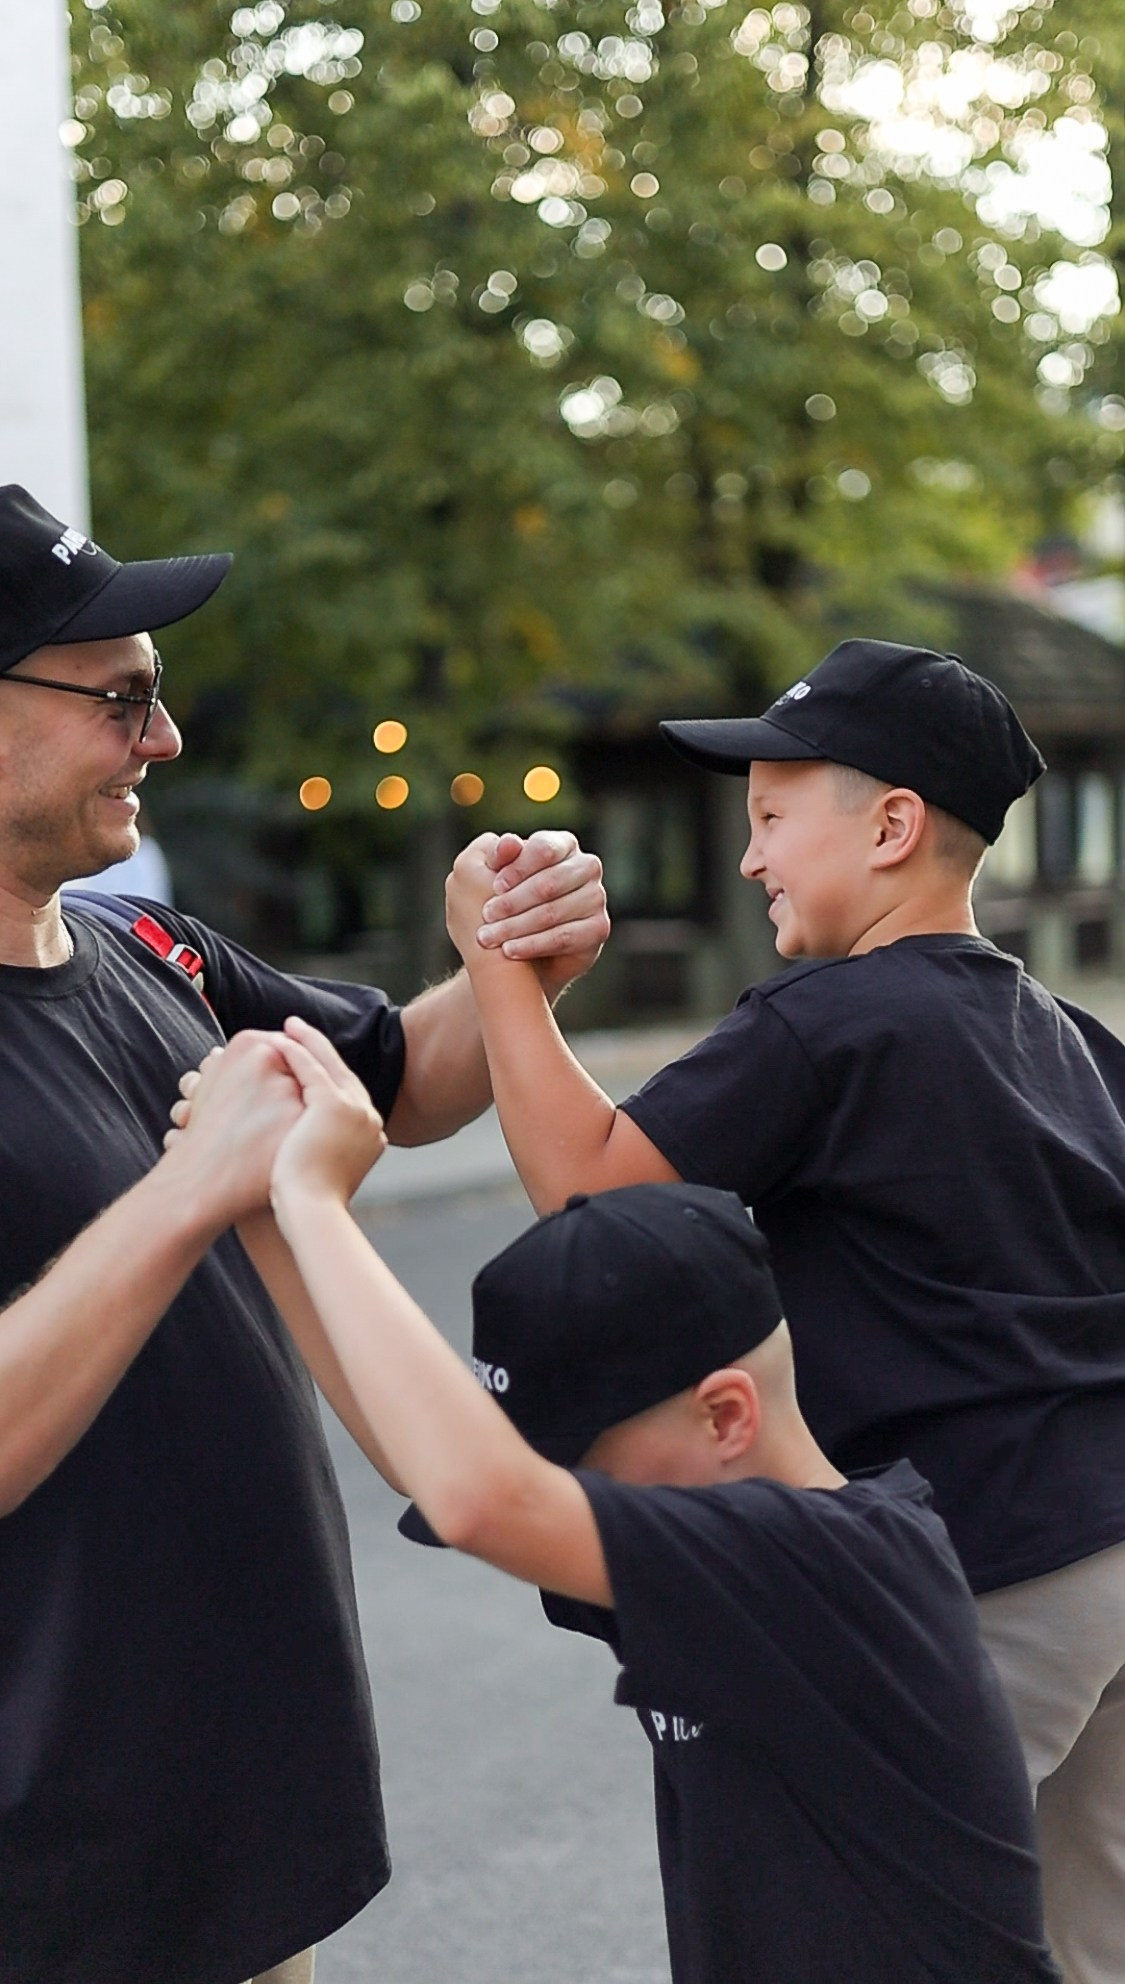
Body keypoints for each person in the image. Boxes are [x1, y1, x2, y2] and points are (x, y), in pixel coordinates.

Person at [440, 638, 1125, 1984]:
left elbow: (592, 1197)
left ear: (890, 826)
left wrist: (498, 972)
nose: (748, 858)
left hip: (984, 1560)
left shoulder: (832, 1018)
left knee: (856, 1931)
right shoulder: (1080, 1041)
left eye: (767, 818)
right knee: (1079, 1942)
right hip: (1111, 1547)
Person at [0, 483, 609, 1984]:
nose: (166, 738)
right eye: (121, 697)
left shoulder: (148, 947)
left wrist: (507, 962)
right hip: (52, 1872)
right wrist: (187, 1192)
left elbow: (399, 1081)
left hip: (227, 1823)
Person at [168, 1019, 1061, 1984]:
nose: (562, 1497)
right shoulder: (727, 1543)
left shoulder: (836, 1566)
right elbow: (442, 1469)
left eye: (576, 1463)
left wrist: (313, 1197)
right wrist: (258, 1206)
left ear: (725, 1416)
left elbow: (481, 1498)